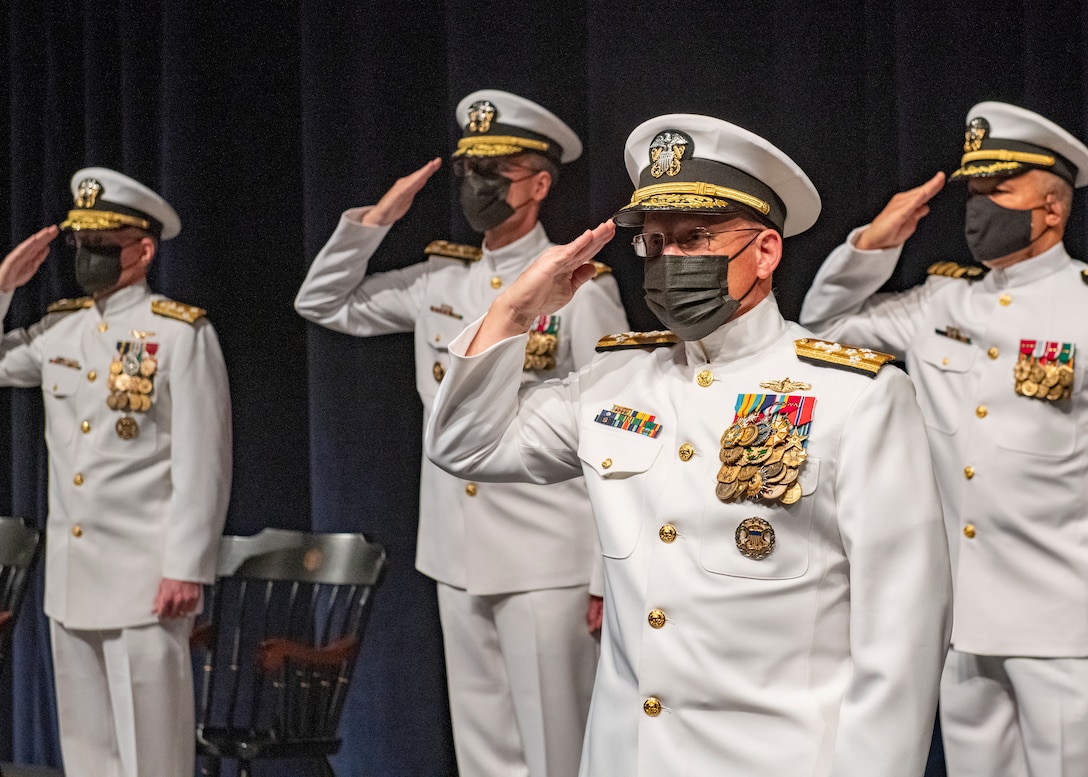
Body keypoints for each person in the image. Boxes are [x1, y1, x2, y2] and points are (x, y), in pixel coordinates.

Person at [425, 113, 952, 776]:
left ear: (765, 250)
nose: (671, 261)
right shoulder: (615, 383)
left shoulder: (859, 399)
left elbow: (899, 643)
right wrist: (514, 311)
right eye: (654, 242)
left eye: (696, 237)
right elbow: (462, 444)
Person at [294, 89, 628, 777]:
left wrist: (606, 567)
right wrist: (375, 221)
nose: (476, 187)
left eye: (494, 173)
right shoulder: (440, 279)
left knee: (558, 753)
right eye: (468, 172)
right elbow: (322, 301)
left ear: (538, 184)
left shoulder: (579, 286)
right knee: (483, 756)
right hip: (455, 549)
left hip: (549, 557)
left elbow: (612, 422)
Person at [800, 101, 1088, 776]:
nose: (980, 207)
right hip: (960, 623)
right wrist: (876, 242)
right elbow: (823, 330)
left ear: (1052, 209)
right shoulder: (940, 301)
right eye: (975, 192)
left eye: (999, 190)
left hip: (1066, 622)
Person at [0, 168, 232, 777]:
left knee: (153, 757)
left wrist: (185, 566)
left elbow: (202, 461)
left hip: (146, 580)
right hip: (73, 580)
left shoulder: (180, 333)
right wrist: (1, 286)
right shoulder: (60, 329)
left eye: (102, 244)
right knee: (88, 755)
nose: (88, 256)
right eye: (82, 244)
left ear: (143, 249)